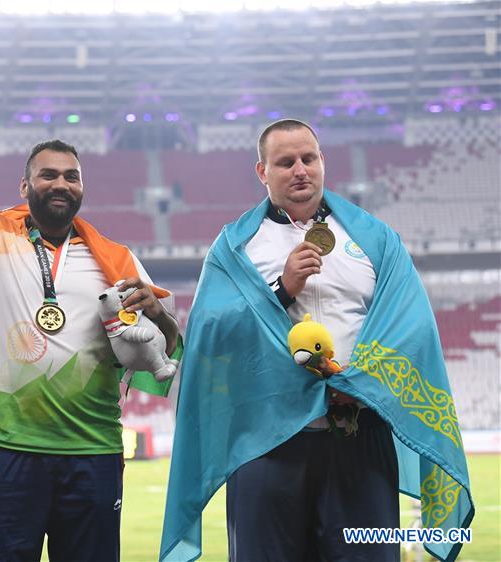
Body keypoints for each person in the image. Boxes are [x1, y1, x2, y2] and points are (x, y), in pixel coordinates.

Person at [0, 35, 181, 562]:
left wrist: (161, 313)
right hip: (7, 451)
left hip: (92, 453)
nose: (61, 183)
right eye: (48, 174)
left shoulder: (117, 258)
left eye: (72, 176)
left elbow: (167, 351)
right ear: (24, 185)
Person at [160, 120, 473, 562]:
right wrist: (281, 290)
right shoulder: (234, 248)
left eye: (309, 158)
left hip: (359, 441)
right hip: (264, 444)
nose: (300, 170)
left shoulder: (376, 239)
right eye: (285, 162)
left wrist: (360, 385)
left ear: (323, 162)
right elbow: (214, 340)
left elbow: (411, 327)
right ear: (262, 172)